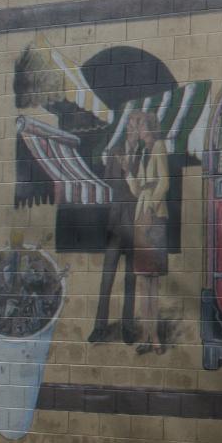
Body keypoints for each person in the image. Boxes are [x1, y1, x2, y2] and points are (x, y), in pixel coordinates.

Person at [125, 111, 170, 354]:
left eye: (141, 125)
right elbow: (138, 190)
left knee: (153, 283)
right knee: (143, 283)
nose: (139, 130)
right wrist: (129, 175)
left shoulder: (160, 146)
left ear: (150, 127)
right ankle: (148, 336)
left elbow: (165, 182)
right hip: (141, 217)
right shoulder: (143, 152)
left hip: (154, 216)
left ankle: (154, 339)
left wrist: (151, 207)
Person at [88, 144, 137, 344]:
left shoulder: (143, 154)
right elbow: (107, 179)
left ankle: (127, 327)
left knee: (130, 280)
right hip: (115, 224)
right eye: (132, 125)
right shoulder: (115, 151)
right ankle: (99, 327)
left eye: (137, 126)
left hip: (135, 225)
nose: (134, 130)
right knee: (107, 279)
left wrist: (129, 170)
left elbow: (143, 187)